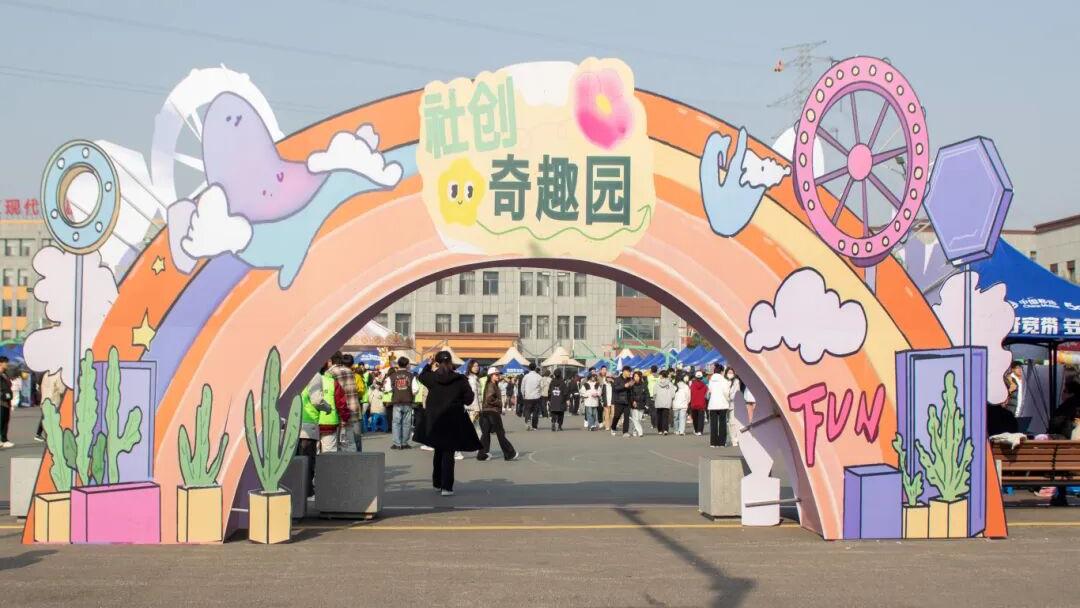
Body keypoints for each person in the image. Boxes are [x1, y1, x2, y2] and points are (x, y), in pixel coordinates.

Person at [416, 351, 482, 496]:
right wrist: (459, 400)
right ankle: (447, 487)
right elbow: (469, 399)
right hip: (453, 418)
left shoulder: (432, 378)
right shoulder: (460, 379)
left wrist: (428, 364)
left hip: (436, 419)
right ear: (451, 362)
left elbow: (421, 376)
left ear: (437, 363)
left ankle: (437, 483)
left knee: (438, 450)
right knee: (449, 452)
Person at [299, 372, 334, 495]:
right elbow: (317, 400)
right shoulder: (314, 375)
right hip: (308, 425)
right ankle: (306, 492)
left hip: (291, 424)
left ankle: (297, 492)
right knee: (307, 462)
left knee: (295, 464)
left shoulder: (294, 373)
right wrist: (328, 408)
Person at [478, 367, 519, 461]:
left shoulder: (492, 384)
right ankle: (509, 453)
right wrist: (499, 403)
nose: (498, 376)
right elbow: (489, 398)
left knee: (485, 434)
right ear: (491, 376)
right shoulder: (491, 385)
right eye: (496, 374)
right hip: (492, 412)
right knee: (500, 433)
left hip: (486, 411)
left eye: (498, 374)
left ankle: (482, 454)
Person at [327, 352, 362, 452]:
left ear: (330, 360)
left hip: (340, 410)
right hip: (353, 408)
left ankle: (343, 460)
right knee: (352, 439)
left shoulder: (330, 373)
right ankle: (355, 458)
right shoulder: (349, 371)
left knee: (340, 440)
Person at [385, 357, 417, 450]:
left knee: (396, 423)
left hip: (396, 402)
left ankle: (397, 443)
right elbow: (415, 390)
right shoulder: (411, 376)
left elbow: (387, 389)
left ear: (398, 364)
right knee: (407, 423)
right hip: (407, 402)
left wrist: (395, 390)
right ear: (407, 365)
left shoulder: (392, 376)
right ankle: (404, 443)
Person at [707, 365, 738, 447]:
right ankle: (721, 442)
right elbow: (726, 392)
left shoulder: (711, 380)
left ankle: (713, 443)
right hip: (722, 404)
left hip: (712, 404)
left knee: (713, 424)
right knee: (722, 423)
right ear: (721, 372)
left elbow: (710, 390)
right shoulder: (724, 380)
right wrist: (728, 399)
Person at [610, 366, 634, 437]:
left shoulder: (630, 380)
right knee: (617, 416)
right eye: (628, 372)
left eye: (630, 372)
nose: (630, 373)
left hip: (628, 401)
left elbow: (632, 391)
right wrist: (624, 386)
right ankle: (613, 427)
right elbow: (615, 388)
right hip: (619, 401)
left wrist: (631, 386)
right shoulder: (617, 379)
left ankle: (625, 432)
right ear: (624, 371)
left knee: (626, 417)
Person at [520, 363, 542, 431]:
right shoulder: (539, 377)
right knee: (535, 412)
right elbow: (541, 387)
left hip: (528, 397)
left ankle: (528, 420)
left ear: (529, 368)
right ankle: (534, 426)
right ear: (535, 368)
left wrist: (523, 395)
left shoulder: (526, 376)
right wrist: (540, 394)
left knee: (527, 410)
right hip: (536, 397)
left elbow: (522, 387)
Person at [653, 370, 675, 435]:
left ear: (662, 375)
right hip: (667, 402)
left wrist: (654, 399)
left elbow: (654, 393)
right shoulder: (670, 383)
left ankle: (660, 430)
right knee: (665, 417)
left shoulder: (657, 383)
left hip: (658, 402)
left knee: (659, 416)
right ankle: (665, 430)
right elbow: (673, 394)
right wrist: (671, 399)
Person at [629, 370, 649, 437]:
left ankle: (634, 430)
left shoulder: (644, 385)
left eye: (637, 376)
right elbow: (630, 394)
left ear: (640, 377)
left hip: (642, 404)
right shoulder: (632, 385)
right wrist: (633, 401)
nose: (636, 377)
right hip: (634, 404)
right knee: (635, 419)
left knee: (639, 419)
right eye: (635, 376)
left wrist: (647, 403)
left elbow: (647, 395)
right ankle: (640, 432)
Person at [689, 371, 708, 436]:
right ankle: (700, 431)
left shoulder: (692, 385)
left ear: (695, 377)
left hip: (694, 403)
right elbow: (706, 395)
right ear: (702, 377)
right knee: (701, 418)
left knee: (695, 418)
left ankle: (696, 430)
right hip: (702, 403)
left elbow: (690, 394)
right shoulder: (704, 386)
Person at [0, 358, 13, 448]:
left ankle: (4, 440)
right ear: (0, 363)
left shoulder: (5, 374)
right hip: (1, 400)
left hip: (7, 401)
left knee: (5, 420)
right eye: (6, 363)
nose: (7, 364)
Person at [465, 360, 482, 425]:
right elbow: (474, 394)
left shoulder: (474, 378)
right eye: (474, 366)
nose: (476, 368)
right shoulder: (472, 379)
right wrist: (477, 409)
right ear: (470, 367)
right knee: (475, 427)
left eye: (477, 366)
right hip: (473, 409)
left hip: (471, 407)